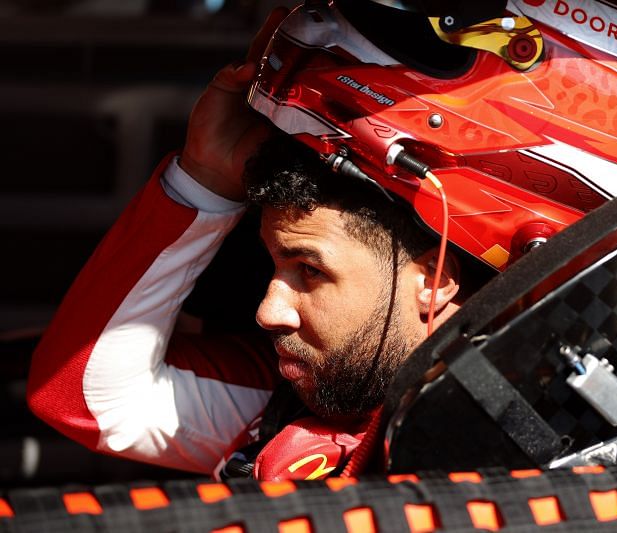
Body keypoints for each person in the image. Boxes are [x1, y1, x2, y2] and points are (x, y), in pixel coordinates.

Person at [26, 8, 480, 481]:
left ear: (433, 280)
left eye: (310, 270)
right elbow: (84, 397)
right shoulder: (304, 393)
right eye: (273, 265)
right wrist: (205, 179)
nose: (268, 311)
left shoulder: (547, 407)